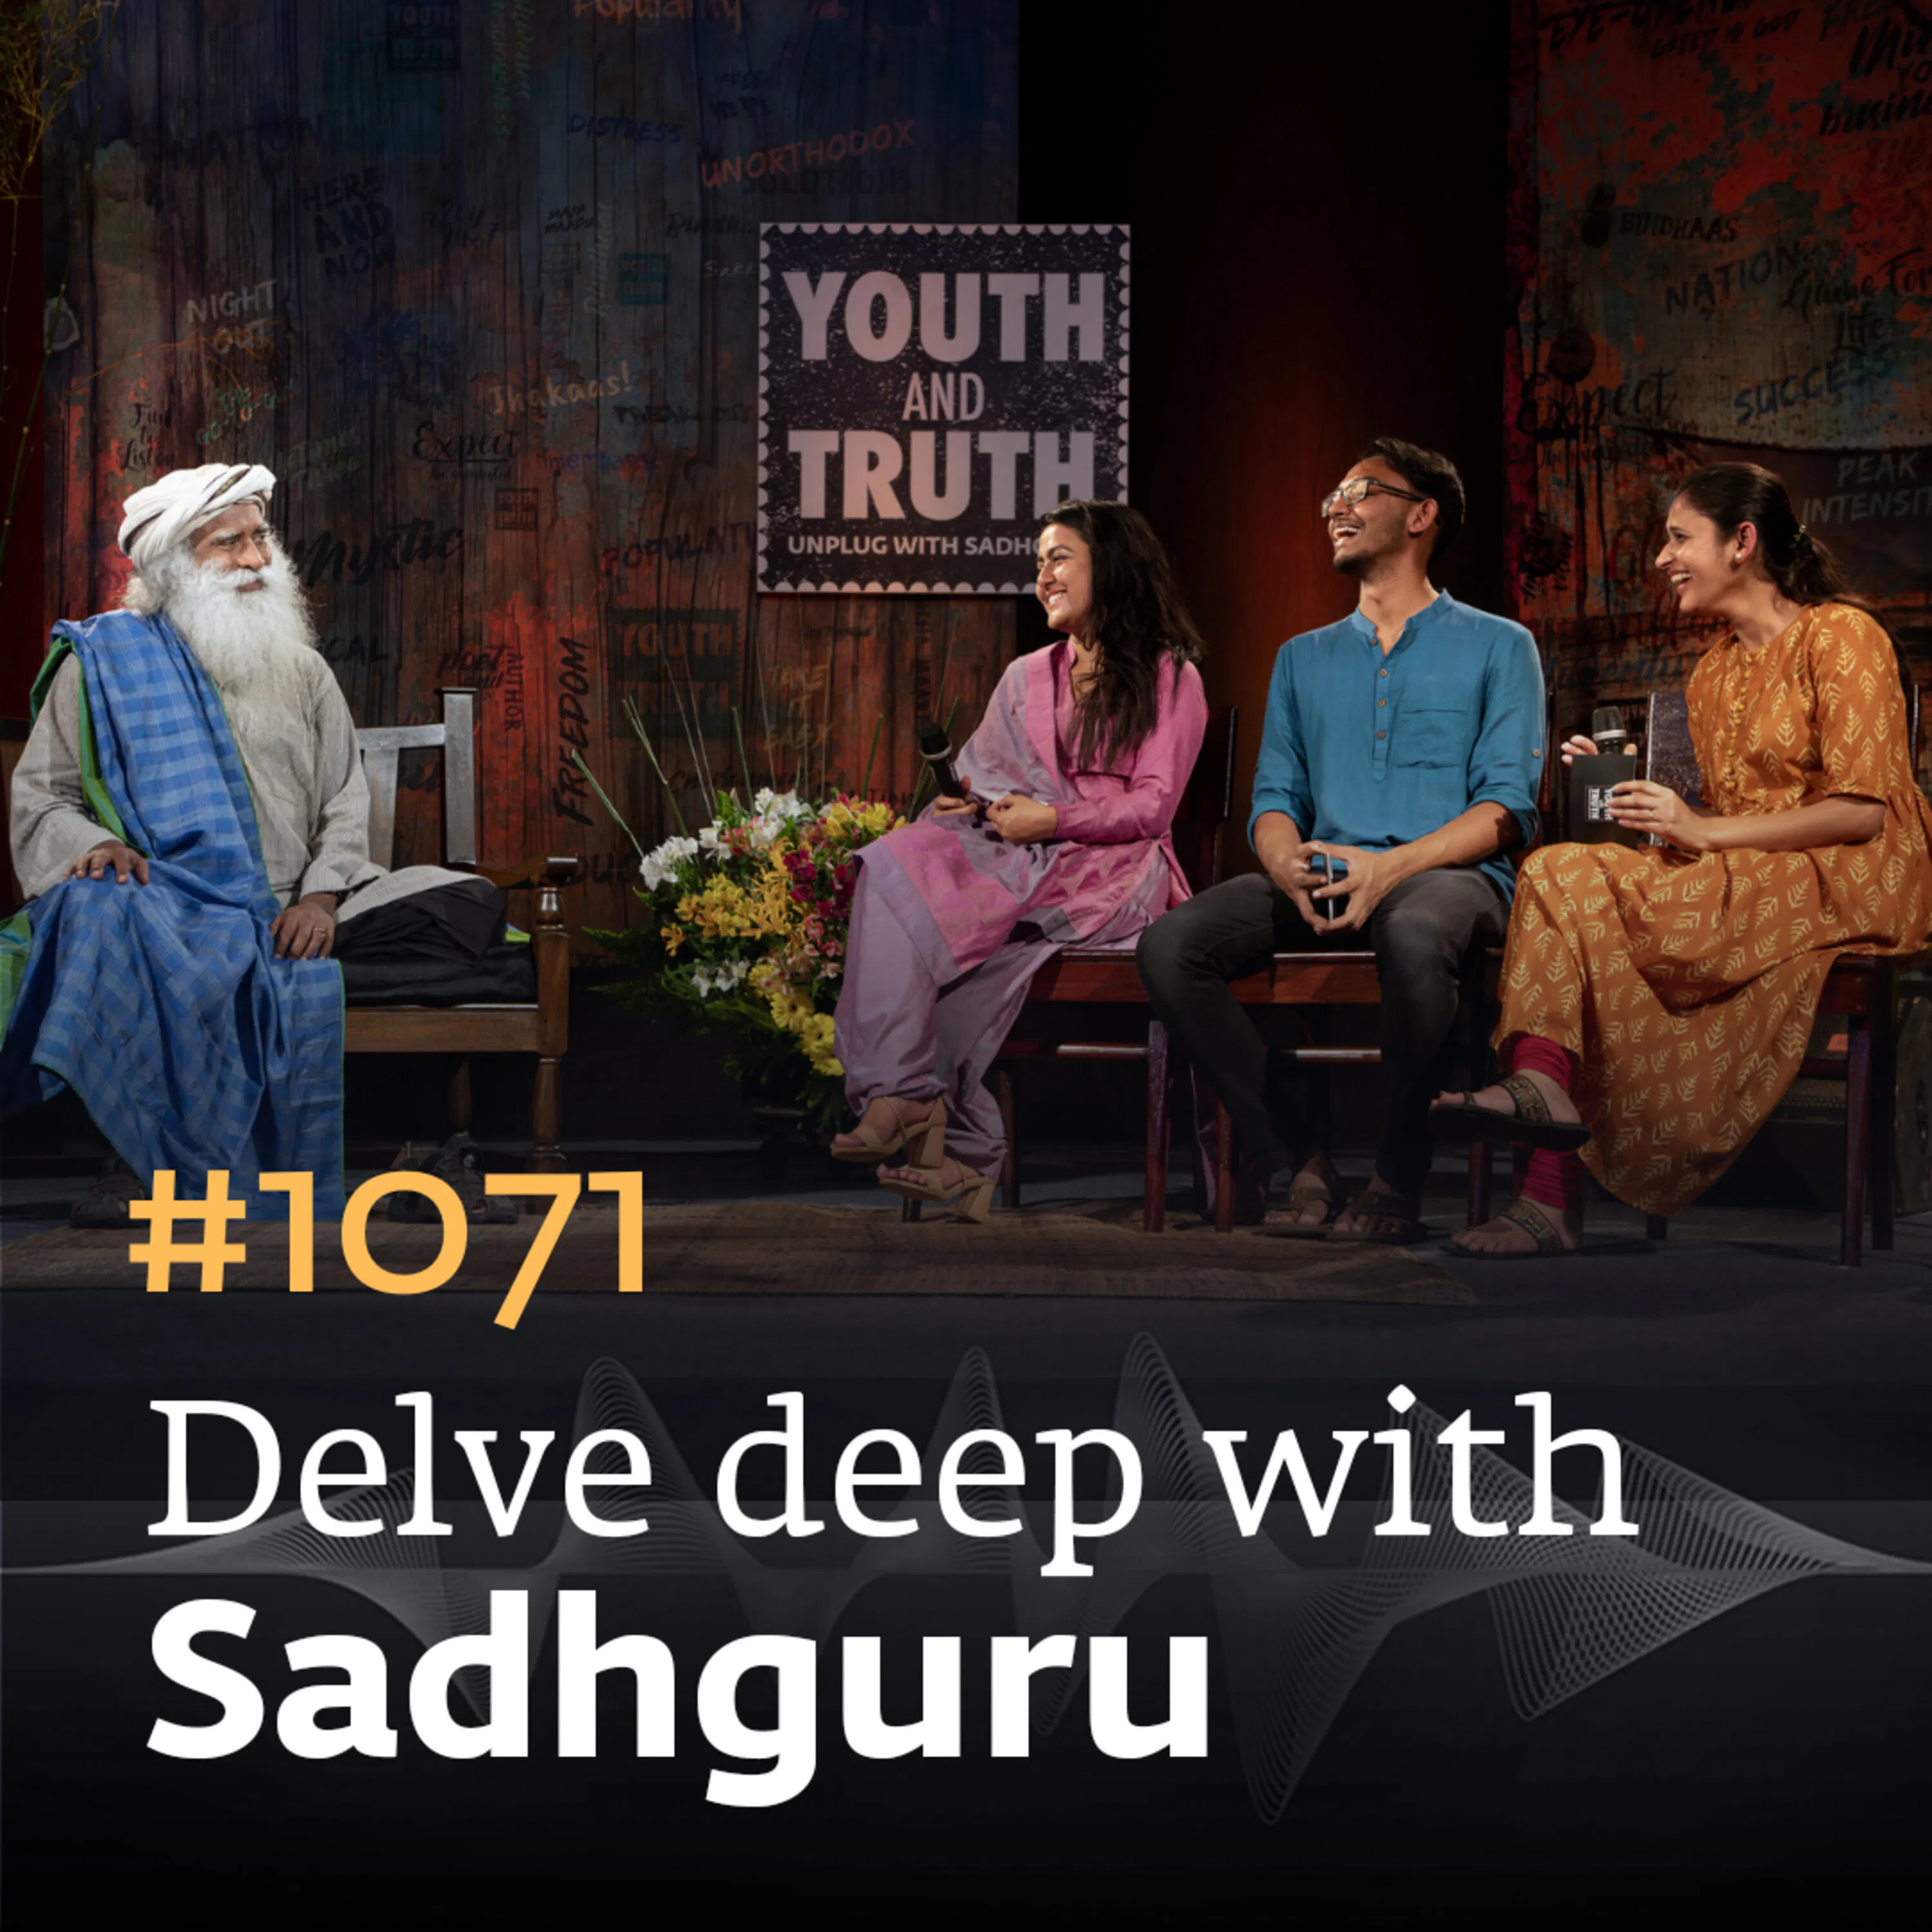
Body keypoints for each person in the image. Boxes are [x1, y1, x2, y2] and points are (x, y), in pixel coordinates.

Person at [1434, 461, 1932, 1255]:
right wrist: (1625, 791)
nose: (1663, 558)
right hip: (1745, 868)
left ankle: (1550, 1192)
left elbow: (1863, 810)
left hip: (1851, 871)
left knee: (1598, 906)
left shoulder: (1842, 635)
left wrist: (1700, 834)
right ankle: (1541, 1093)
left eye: (1678, 538)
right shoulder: (1712, 674)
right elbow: (1708, 823)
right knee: (1556, 870)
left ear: (1742, 542)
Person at [3, 461, 503, 1223]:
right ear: (172, 566)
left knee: (465, 901)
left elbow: (344, 802)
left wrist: (322, 899)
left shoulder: (302, 670)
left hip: (297, 899)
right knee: (95, 909)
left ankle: (161, 1172)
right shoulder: (101, 666)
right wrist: (93, 845)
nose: (257, 559)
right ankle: (146, 1160)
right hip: (169, 905)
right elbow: (45, 796)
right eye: (229, 544)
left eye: (260, 538)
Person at [1135, 438, 1545, 1242]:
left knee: (1417, 929)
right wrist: (1284, 859)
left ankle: (1396, 1176)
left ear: (1422, 516)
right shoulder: (1302, 657)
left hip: (1448, 876)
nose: (1337, 508)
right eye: (1333, 496)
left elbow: (1505, 809)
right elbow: (1274, 801)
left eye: (1362, 491)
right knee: (1171, 947)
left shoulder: (1501, 644)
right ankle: (1297, 1157)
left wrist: (1390, 868)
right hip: (1325, 874)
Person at [829, 498, 1208, 1220]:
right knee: (894, 860)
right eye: (1038, 564)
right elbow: (987, 776)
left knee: (975, 948)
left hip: (1117, 872)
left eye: (1060, 558)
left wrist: (1055, 819)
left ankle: (967, 1149)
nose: (1044, 577)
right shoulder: (1027, 674)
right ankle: (899, 1092)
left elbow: (1154, 809)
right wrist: (967, 805)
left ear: (1113, 567)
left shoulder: (1171, 676)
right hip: (1024, 859)